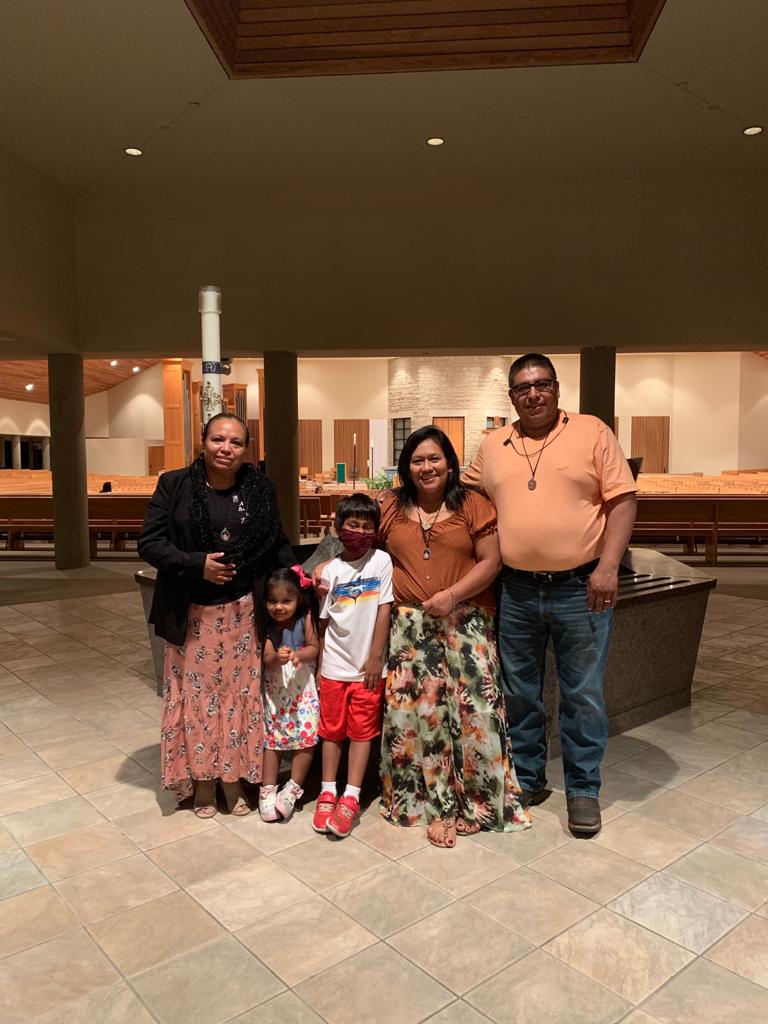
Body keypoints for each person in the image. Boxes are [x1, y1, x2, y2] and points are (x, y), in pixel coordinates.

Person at [463, 353, 637, 837]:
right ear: (512, 396)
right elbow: (463, 499)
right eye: (523, 388)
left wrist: (608, 567)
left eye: (541, 384)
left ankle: (583, 789)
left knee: (582, 695)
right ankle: (528, 777)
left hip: (581, 587)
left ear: (556, 388)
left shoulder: (592, 431)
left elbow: (623, 501)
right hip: (516, 589)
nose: (533, 394)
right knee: (519, 693)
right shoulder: (493, 445)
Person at [379, 426, 530, 849]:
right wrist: (321, 566)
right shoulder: (389, 506)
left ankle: (476, 802)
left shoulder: (473, 505)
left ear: (450, 464)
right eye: (417, 460)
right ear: (406, 467)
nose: (426, 467)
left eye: (435, 459)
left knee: (475, 712)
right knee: (419, 715)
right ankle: (431, 805)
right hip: (410, 628)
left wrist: (451, 596)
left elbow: (491, 562)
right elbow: (356, 543)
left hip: (466, 622)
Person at [138, 412, 295, 818]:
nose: (226, 448)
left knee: (238, 699)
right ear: (203, 441)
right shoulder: (174, 484)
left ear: (247, 449)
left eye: (236, 442)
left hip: (243, 610)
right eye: (218, 439)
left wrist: (300, 577)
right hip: (191, 612)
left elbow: (276, 543)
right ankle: (203, 782)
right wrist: (196, 564)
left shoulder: (260, 489)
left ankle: (232, 778)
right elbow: (150, 543)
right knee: (198, 700)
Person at [313, 494, 393, 839]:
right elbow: (325, 623)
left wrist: (375, 656)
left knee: (362, 732)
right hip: (334, 665)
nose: (359, 533)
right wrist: (321, 665)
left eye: (366, 527)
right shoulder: (330, 571)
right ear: (338, 527)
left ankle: (351, 796)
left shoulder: (381, 562)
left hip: (368, 669)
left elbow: (384, 609)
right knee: (331, 730)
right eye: (352, 525)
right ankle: (327, 791)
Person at [259, 566, 321, 822]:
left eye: (286, 600)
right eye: (272, 601)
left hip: (302, 690)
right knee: (272, 739)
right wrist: (277, 658)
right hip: (276, 693)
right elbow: (267, 658)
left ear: (298, 599)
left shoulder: (305, 618)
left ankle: (293, 788)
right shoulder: (267, 626)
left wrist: (299, 655)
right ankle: (267, 788)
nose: (279, 607)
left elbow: (314, 647)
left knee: (305, 738)